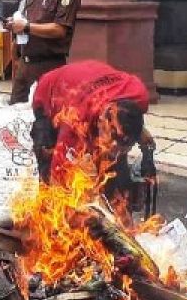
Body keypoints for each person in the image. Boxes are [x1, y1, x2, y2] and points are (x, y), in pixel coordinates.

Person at [30, 60, 157, 209]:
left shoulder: (139, 95)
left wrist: (140, 134)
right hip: (50, 90)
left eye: (122, 148)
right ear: (101, 123)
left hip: (90, 75)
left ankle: (117, 209)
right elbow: (58, 176)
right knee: (47, 170)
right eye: (110, 146)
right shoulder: (75, 119)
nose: (112, 153)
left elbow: (129, 118)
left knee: (114, 169)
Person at [6, 0, 81, 105]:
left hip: (49, 68)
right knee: (12, 121)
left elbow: (59, 29)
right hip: (24, 67)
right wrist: (15, 23)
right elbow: (28, 19)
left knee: (44, 124)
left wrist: (26, 27)